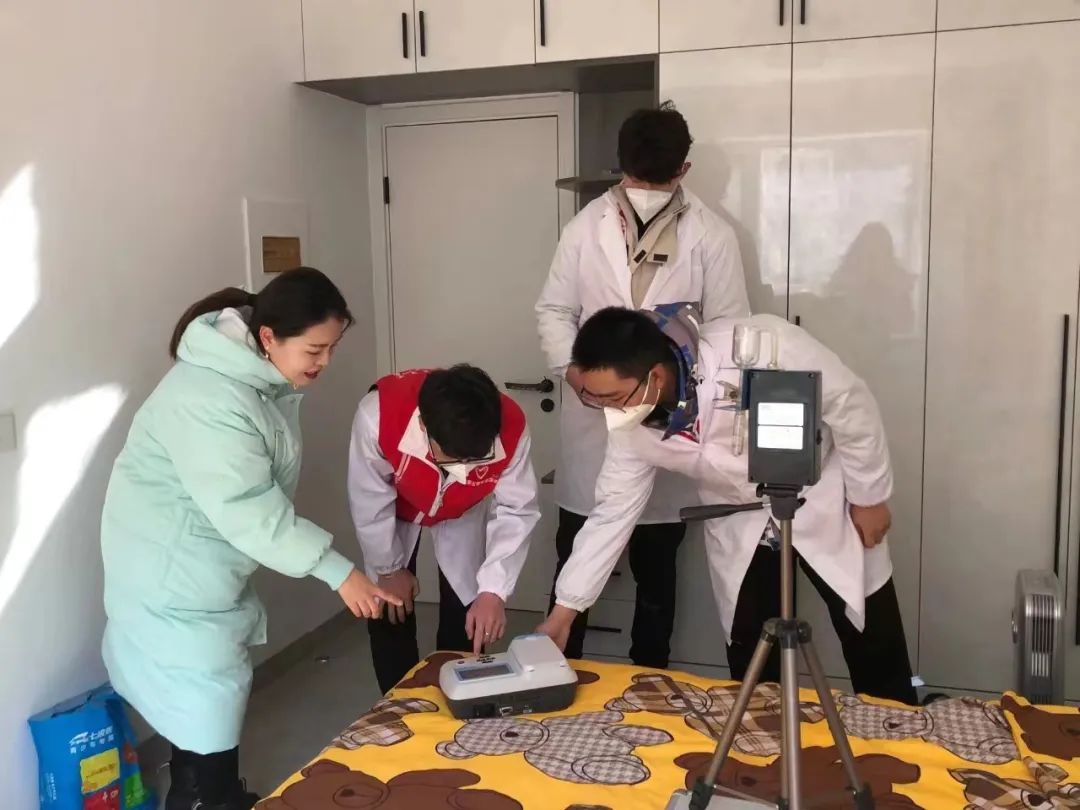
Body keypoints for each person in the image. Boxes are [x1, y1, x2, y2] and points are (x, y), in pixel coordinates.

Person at [101, 268, 401, 810]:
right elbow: (249, 508)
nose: (325, 362)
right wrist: (339, 572)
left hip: (199, 564)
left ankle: (205, 792)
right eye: (315, 349)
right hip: (171, 573)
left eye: (332, 348)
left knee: (201, 701)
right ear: (267, 337)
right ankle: (209, 799)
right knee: (205, 699)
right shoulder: (210, 397)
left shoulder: (251, 381)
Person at [538, 305, 918, 705]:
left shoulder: (765, 346)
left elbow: (852, 406)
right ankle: (766, 733)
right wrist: (565, 611)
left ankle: (896, 728)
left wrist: (869, 497)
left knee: (871, 635)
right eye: (597, 400)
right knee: (751, 647)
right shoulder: (632, 425)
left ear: (656, 377)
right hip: (737, 515)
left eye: (614, 398)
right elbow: (612, 514)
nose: (610, 412)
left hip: (821, 495)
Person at [535, 103, 750, 668]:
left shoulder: (711, 235)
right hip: (594, 417)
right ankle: (555, 672)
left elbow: (729, 332)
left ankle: (649, 681)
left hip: (668, 419)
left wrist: (673, 388)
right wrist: (576, 373)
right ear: (685, 166)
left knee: (657, 579)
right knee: (578, 552)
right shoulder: (585, 228)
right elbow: (554, 310)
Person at [348, 364, 541, 694]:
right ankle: (401, 705)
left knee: (468, 610)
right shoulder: (378, 414)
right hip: (394, 509)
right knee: (389, 608)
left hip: (461, 511)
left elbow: (517, 510)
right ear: (424, 427)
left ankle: (459, 701)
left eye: (474, 460)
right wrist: (389, 568)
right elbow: (369, 498)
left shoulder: (511, 426)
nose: (463, 470)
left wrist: (494, 591)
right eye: (452, 460)